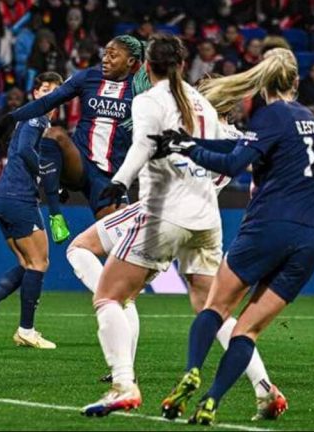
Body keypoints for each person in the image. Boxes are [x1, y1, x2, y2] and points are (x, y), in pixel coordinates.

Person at [150, 47, 314, 425]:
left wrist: (189, 149)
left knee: (215, 308)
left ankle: (192, 372)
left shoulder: (272, 115)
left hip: (270, 227)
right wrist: (187, 141)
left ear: (263, 83)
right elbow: (239, 147)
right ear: (296, 82)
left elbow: (233, 162)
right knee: (247, 331)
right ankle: (212, 400)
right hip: (312, 238)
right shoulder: (306, 118)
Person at [79, 33, 222, 417]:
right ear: (182, 64)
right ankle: (263, 386)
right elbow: (222, 155)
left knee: (109, 296)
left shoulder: (149, 99)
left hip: (166, 213)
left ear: (145, 66)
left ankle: (123, 384)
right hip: (208, 217)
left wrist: (117, 183)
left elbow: (142, 145)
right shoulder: (203, 103)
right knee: (212, 307)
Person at [0, 35, 144, 222]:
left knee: (120, 238)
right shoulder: (88, 76)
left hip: (108, 175)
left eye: (113, 56)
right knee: (54, 134)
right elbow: (48, 101)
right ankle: (55, 211)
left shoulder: (141, 88)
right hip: (79, 161)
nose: (105, 59)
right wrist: (11, 118)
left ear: (130, 61)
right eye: (105, 54)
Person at [0, 72, 64, 349]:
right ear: (35, 94)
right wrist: (47, 177)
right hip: (19, 197)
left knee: (27, 264)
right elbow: (23, 150)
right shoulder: (37, 118)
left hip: (3, 196)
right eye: (45, 89)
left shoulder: (27, 118)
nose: (50, 94)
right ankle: (26, 330)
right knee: (39, 262)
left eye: (56, 91)